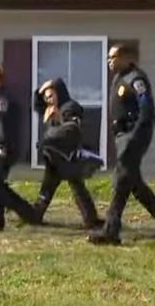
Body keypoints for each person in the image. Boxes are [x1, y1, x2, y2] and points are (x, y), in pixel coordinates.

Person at [88, 44, 155, 245]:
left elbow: (146, 110)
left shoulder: (136, 79)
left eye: (113, 57)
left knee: (121, 182)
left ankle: (110, 231)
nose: (110, 61)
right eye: (108, 58)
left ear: (126, 58)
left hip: (133, 136)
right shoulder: (120, 77)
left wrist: (134, 138)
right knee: (133, 182)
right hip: (122, 135)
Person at [32, 78, 103, 229]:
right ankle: (36, 215)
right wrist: (40, 91)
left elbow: (72, 129)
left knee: (77, 186)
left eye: (51, 96)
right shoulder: (50, 108)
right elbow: (37, 105)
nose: (49, 101)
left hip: (67, 156)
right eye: (46, 98)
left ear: (59, 93)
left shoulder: (69, 107)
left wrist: (55, 126)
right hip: (53, 157)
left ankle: (91, 218)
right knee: (48, 187)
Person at [0, 64, 40, 231]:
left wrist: (3, 146)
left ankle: (28, 213)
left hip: (1, 147)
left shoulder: (1, 99)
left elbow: (3, 125)